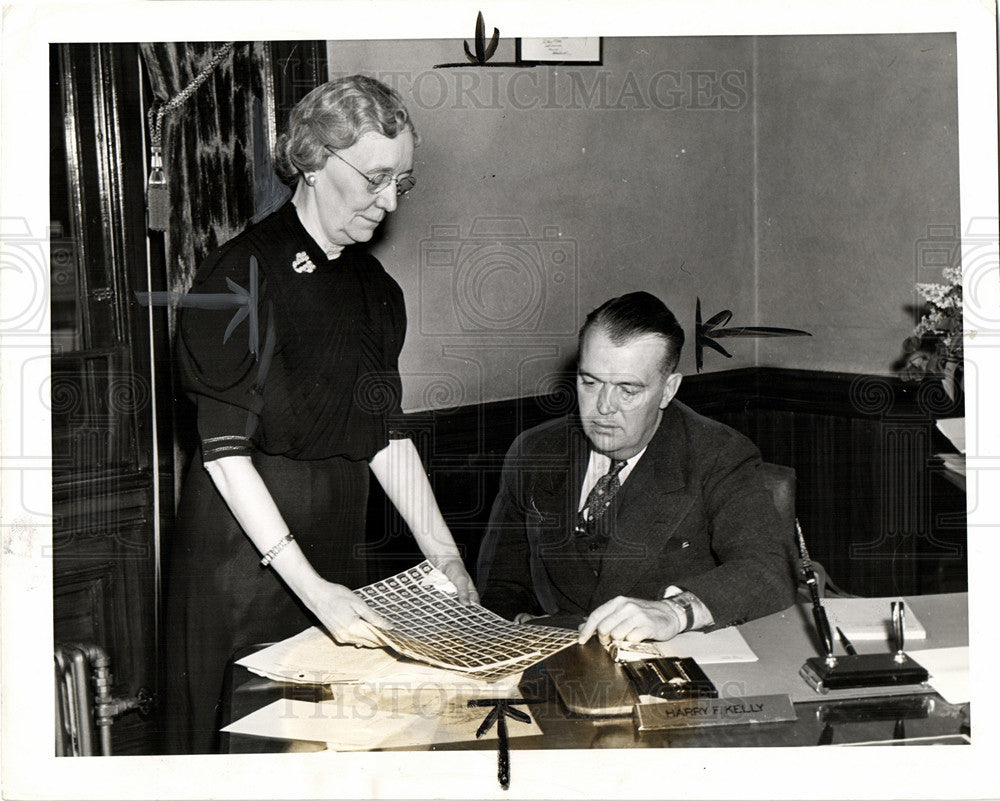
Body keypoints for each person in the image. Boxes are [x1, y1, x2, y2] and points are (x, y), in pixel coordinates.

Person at [163, 75, 477, 754]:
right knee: (239, 742)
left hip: (334, 537)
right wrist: (311, 586)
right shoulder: (237, 275)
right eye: (375, 177)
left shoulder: (376, 291)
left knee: (318, 742)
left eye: (404, 182)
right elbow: (223, 450)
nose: (390, 201)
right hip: (241, 554)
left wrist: (446, 556)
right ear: (310, 160)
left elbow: (385, 433)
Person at [477, 291, 796, 646]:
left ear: (667, 390)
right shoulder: (535, 450)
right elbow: (500, 584)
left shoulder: (718, 455)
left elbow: (769, 572)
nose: (603, 407)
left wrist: (674, 612)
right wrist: (511, 634)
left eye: (628, 389)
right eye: (590, 382)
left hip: (668, 665)